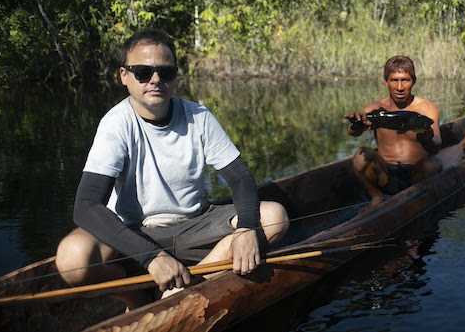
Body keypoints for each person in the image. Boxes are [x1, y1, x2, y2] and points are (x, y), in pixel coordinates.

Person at [55, 28, 289, 309]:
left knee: (274, 216)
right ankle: (139, 300)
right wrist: (152, 257)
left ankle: (185, 287)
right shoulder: (116, 124)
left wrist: (247, 228)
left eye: (165, 73)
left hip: (195, 225)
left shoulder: (198, 116)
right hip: (134, 232)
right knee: (72, 257)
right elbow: (86, 206)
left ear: (175, 76)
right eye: (143, 72)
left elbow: (240, 179)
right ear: (124, 76)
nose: (155, 80)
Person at [343, 56, 442, 209]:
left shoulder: (426, 109)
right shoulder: (376, 108)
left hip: (416, 174)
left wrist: (426, 137)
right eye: (394, 80)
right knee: (360, 156)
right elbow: (353, 133)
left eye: (405, 80)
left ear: (413, 81)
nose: (400, 87)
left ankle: (417, 201)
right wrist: (356, 124)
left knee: (433, 164)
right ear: (386, 82)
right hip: (386, 173)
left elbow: (436, 146)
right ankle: (377, 197)